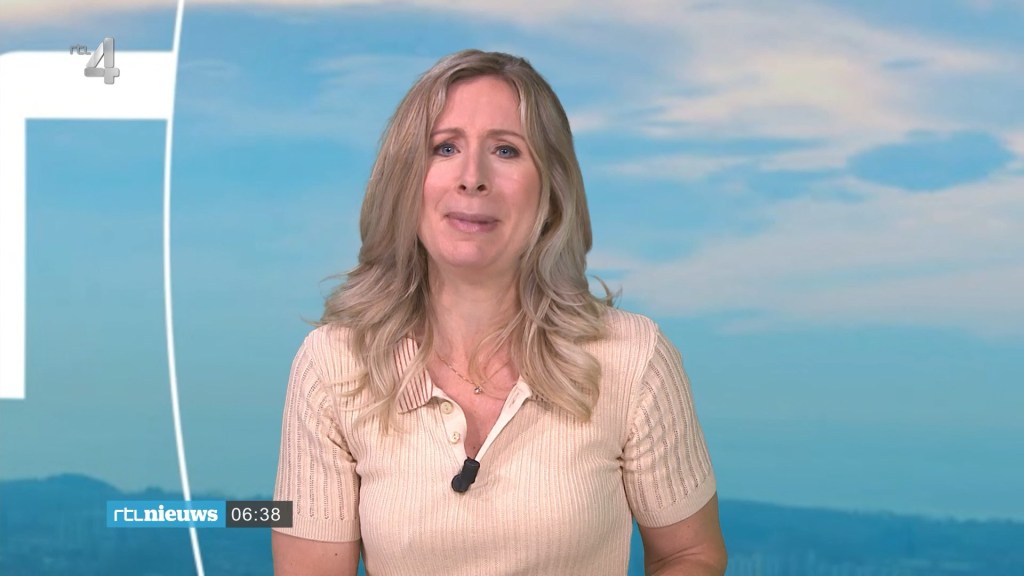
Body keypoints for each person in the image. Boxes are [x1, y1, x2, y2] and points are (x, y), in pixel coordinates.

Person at [271, 49, 727, 576]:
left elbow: (690, 555)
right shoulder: (332, 365)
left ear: (551, 189)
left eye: (506, 150)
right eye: (445, 147)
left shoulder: (633, 357)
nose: (472, 178)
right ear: (404, 179)